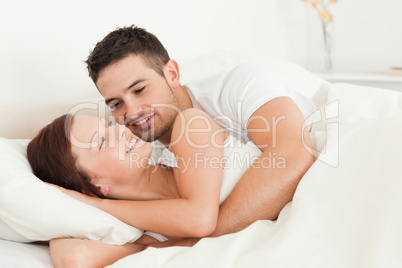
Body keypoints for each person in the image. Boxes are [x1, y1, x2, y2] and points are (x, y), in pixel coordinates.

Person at [85, 25, 316, 237]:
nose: (132, 112)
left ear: (172, 75)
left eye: (139, 89)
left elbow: (294, 156)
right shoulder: (136, 155)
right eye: (116, 104)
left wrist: (197, 241)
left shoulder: (236, 87)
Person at [28, 110, 259, 267]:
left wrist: (96, 203)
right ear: (92, 186)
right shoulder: (148, 235)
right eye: (101, 141)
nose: (120, 130)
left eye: (108, 125)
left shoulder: (189, 128)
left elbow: (199, 219)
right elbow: (73, 258)